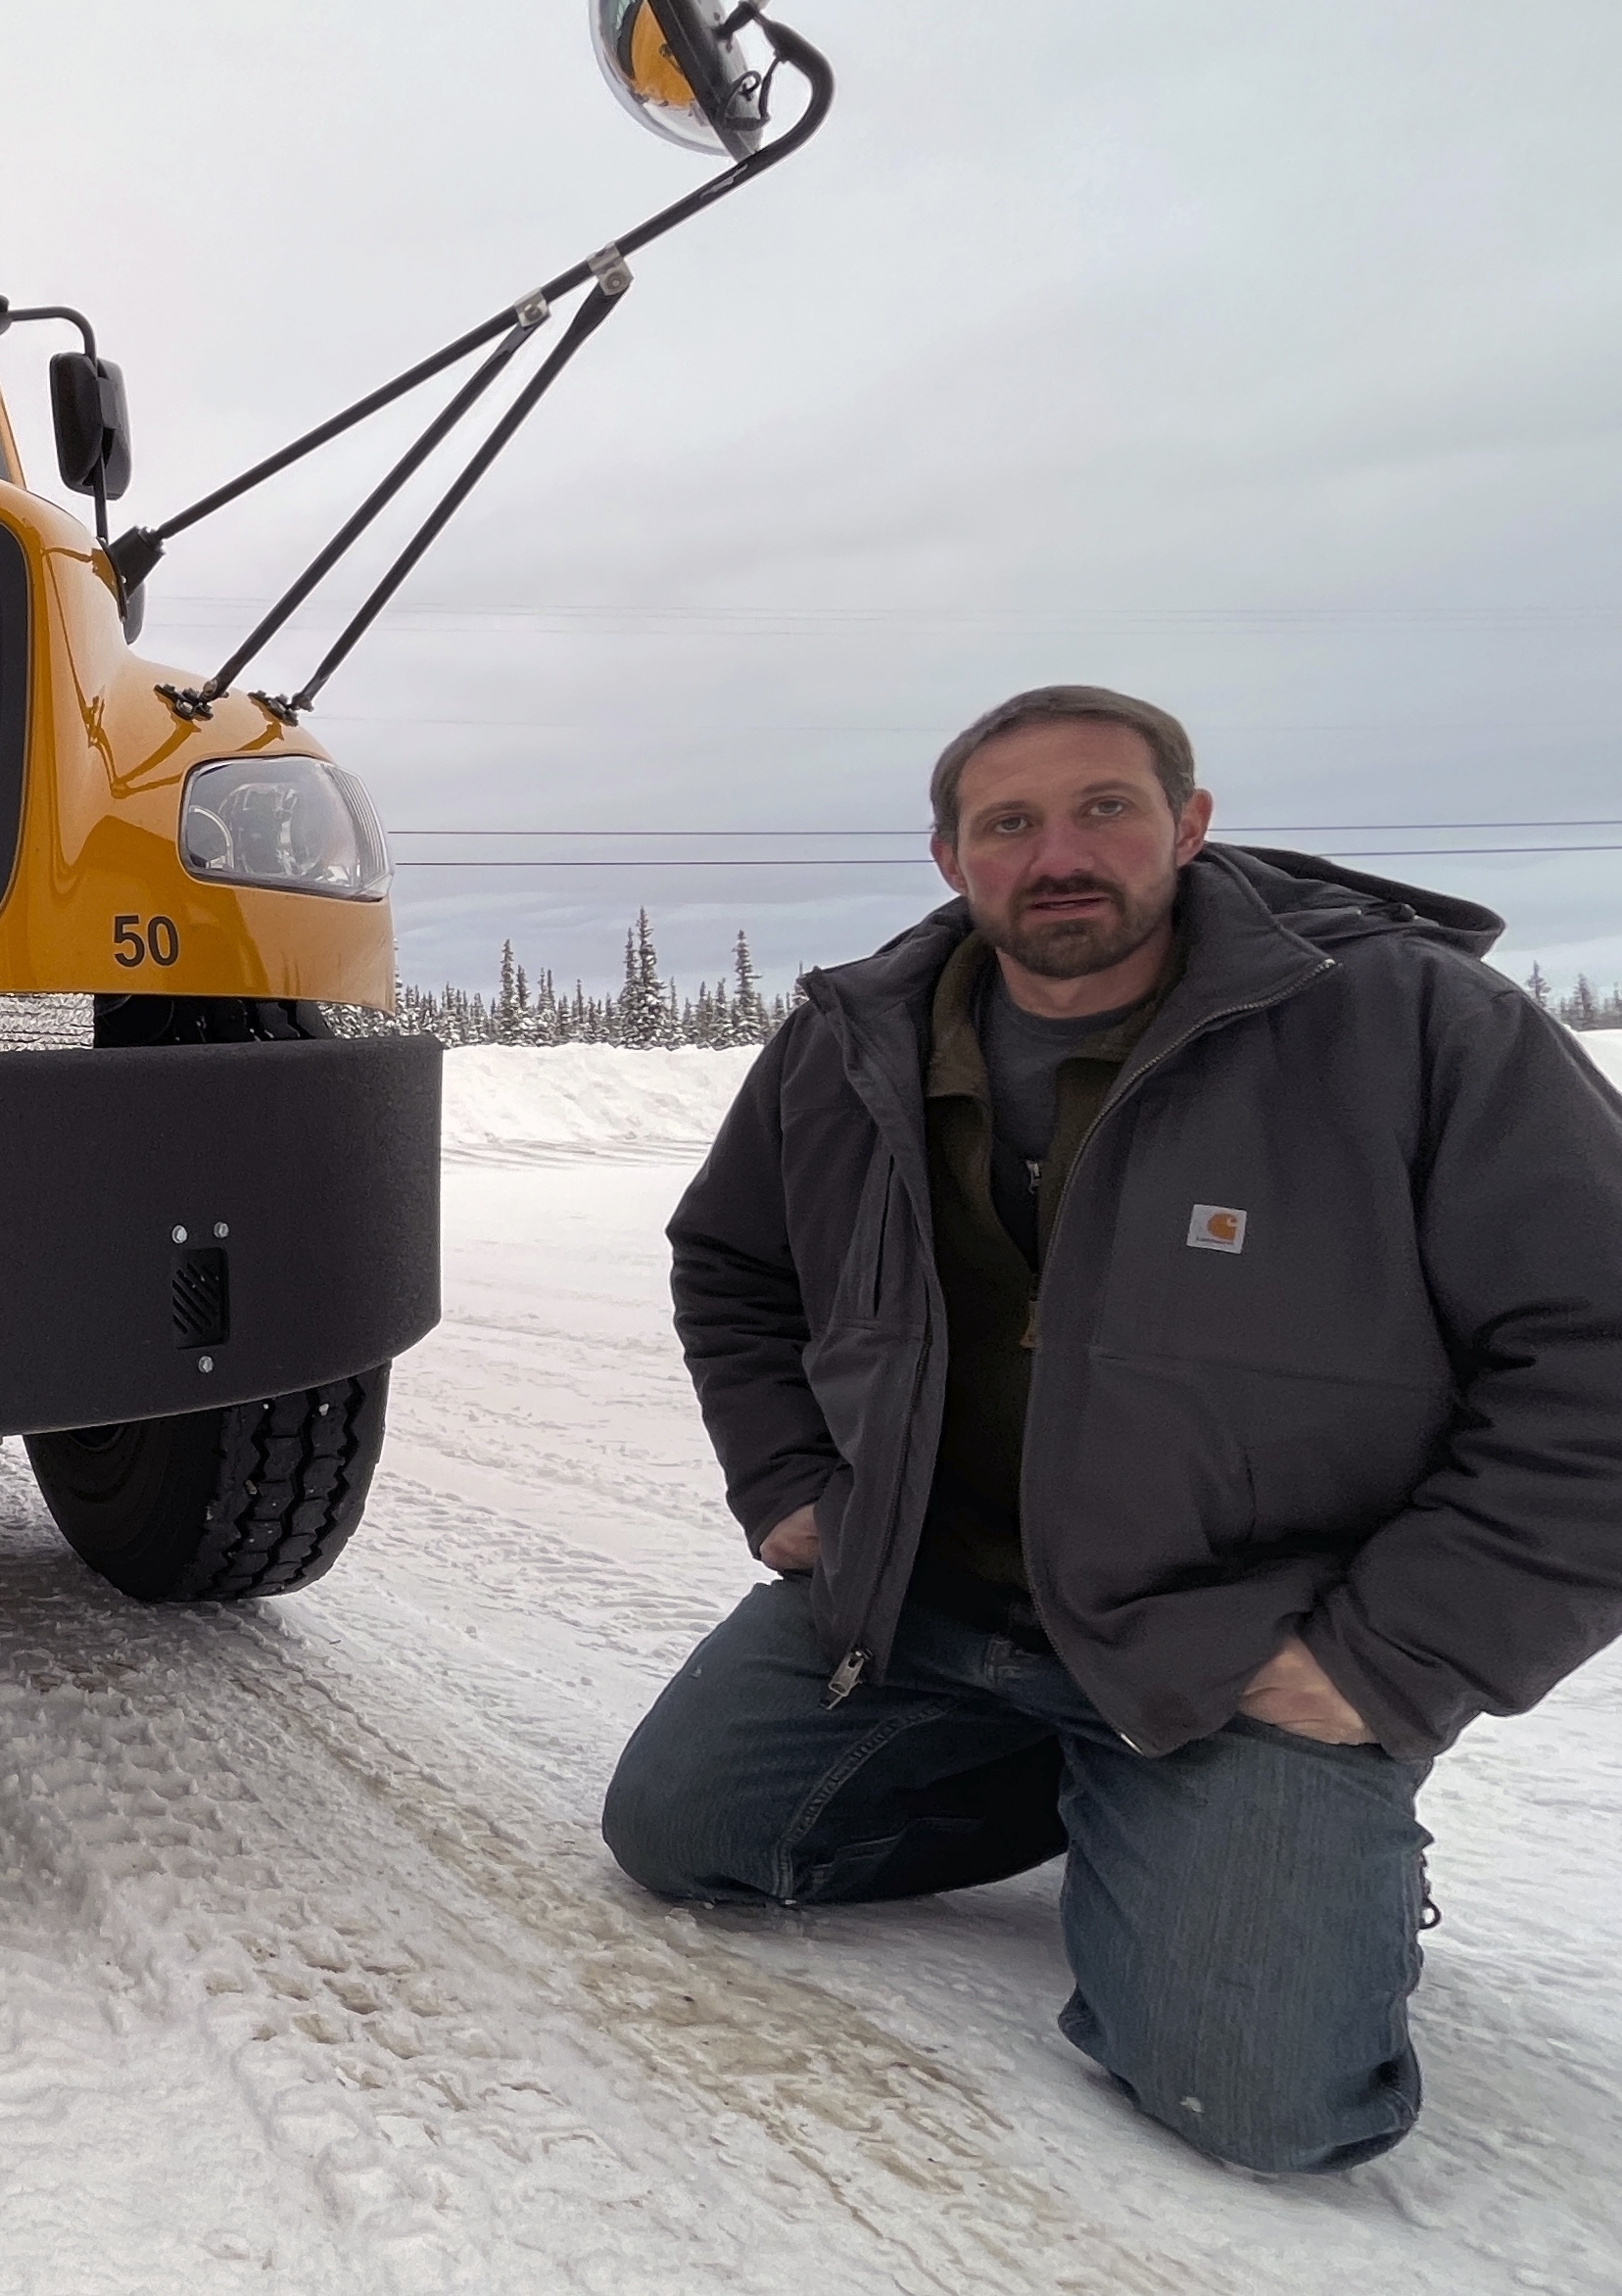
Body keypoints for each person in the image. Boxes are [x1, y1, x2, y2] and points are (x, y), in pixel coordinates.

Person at [603, 683, 1622, 2173]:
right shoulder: (850, 1043)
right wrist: (784, 1483)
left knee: (1261, 2104)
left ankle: (1234, 1834)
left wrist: (1384, 1661)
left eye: (1104, 810)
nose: (1057, 854)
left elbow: (1596, 1359)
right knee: (683, 1839)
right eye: (1007, 823)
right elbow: (732, 1266)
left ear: (1189, 827)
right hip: (923, 1601)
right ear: (951, 858)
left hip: (1229, 1641)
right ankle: (1105, 1797)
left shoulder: (1407, 1023)